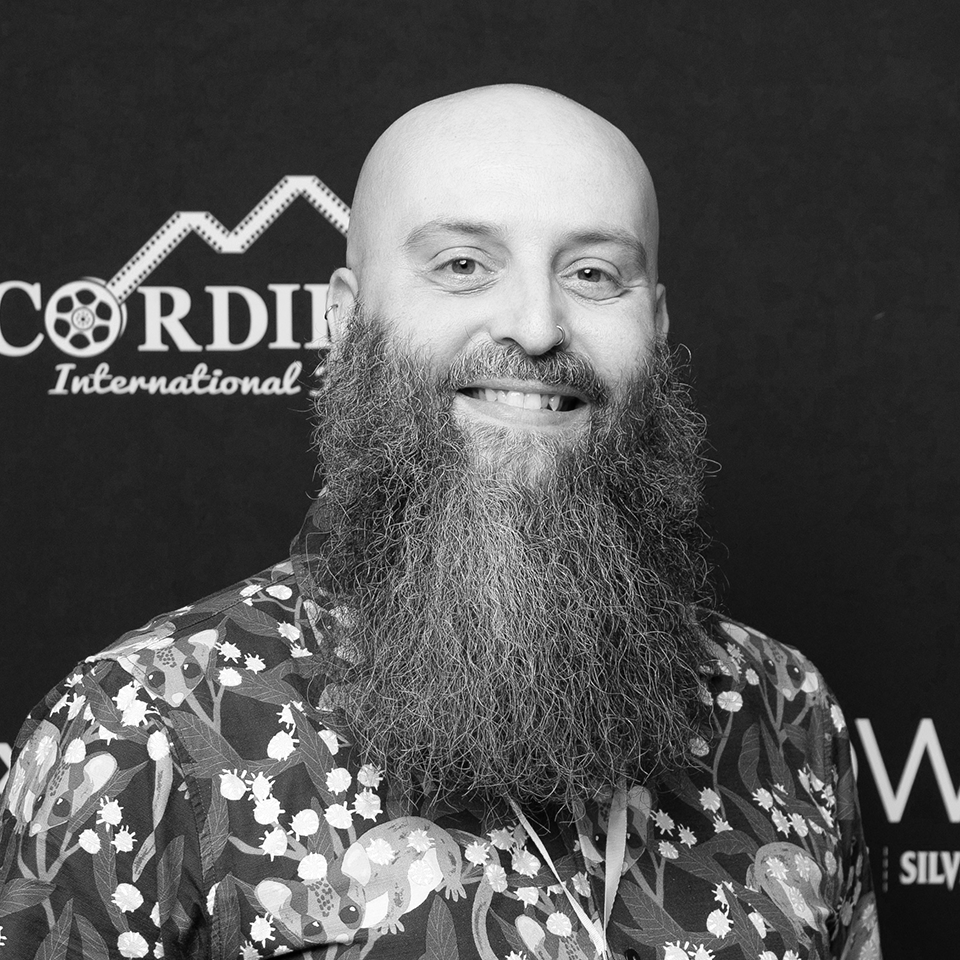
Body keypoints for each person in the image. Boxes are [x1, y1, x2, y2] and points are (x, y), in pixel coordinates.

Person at [0, 85, 880, 960]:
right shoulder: (140, 732)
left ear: (654, 325)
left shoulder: (786, 713)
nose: (537, 327)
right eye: (463, 265)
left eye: (592, 274)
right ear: (345, 319)